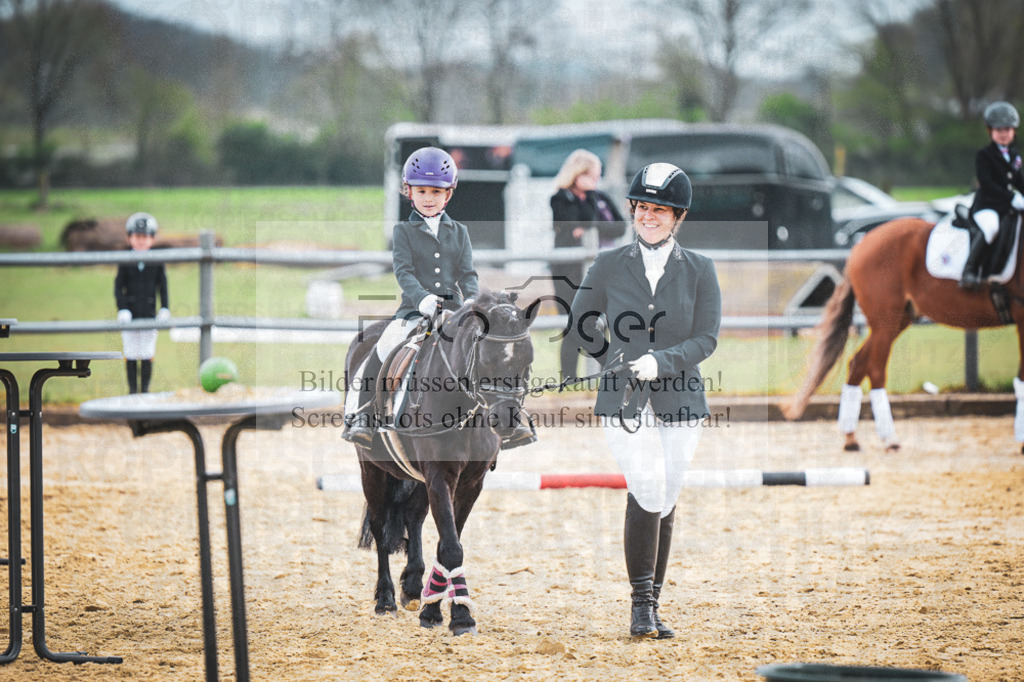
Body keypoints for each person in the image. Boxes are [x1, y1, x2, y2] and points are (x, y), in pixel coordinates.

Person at [569, 162, 721, 639]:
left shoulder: (700, 269)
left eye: (660, 209)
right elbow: (580, 324)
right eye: (642, 207)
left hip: (681, 398)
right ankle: (640, 605)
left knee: (668, 494)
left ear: (678, 217)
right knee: (649, 486)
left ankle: (653, 604)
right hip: (624, 399)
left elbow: (707, 338)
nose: (649, 216)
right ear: (632, 209)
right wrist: (613, 357)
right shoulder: (609, 264)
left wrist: (664, 360)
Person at [343, 147, 534, 449]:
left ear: (448, 194)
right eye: (421, 191)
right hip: (413, 311)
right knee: (382, 346)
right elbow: (404, 272)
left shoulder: (459, 231)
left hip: (457, 312)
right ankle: (361, 414)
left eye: (436, 191)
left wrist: (472, 301)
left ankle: (515, 417)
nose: (429, 198)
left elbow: (468, 273)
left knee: (491, 355)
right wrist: (422, 300)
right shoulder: (403, 231)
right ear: (409, 192)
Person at [549, 149, 626, 380]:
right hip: (568, 272)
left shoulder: (599, 197)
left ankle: (609, 373)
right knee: (573, 324)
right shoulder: (560, 198)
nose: (596, 181)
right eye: (592, 176)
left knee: (607, 322)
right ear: (577, 174)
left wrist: (591, 224)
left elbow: (620, 226)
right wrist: (589, 218)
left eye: (597, 176)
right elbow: (574, 226)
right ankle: (569, 378)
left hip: (601, 270)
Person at [962, 100, 1024, 290]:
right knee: (991, 228)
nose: (1004, 133)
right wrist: (1011, 198)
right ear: (991, 131)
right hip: (987, 206)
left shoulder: (1015, 156)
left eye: (1008, 129)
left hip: (1006, 207)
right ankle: (970, 271)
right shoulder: (984, 155)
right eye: (999, 129)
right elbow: (987, 185)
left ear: (1014, 131)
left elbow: (1020, 181)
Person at [115, 212, 170, 394]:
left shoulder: (156, 261)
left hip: (148, 312)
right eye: (137, 237)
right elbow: (118, 287)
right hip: (130, 314)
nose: (140, 241)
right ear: (130, 238)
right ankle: (132, 391)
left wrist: (164, 307)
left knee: (146, 352)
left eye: (145, 237)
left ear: (152, 239)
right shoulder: (124, 260)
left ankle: (144, 391)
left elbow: (163, 286)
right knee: (130, 352)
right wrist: (122, 308)